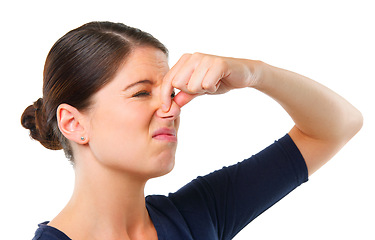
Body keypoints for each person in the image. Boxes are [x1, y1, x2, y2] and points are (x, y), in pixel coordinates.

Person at [21, 21, 362, 240]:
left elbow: (338, 126)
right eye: (141, 93)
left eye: (169, 92)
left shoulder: (199, 214)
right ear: (74, 123)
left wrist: (256, 74)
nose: (171, 107)